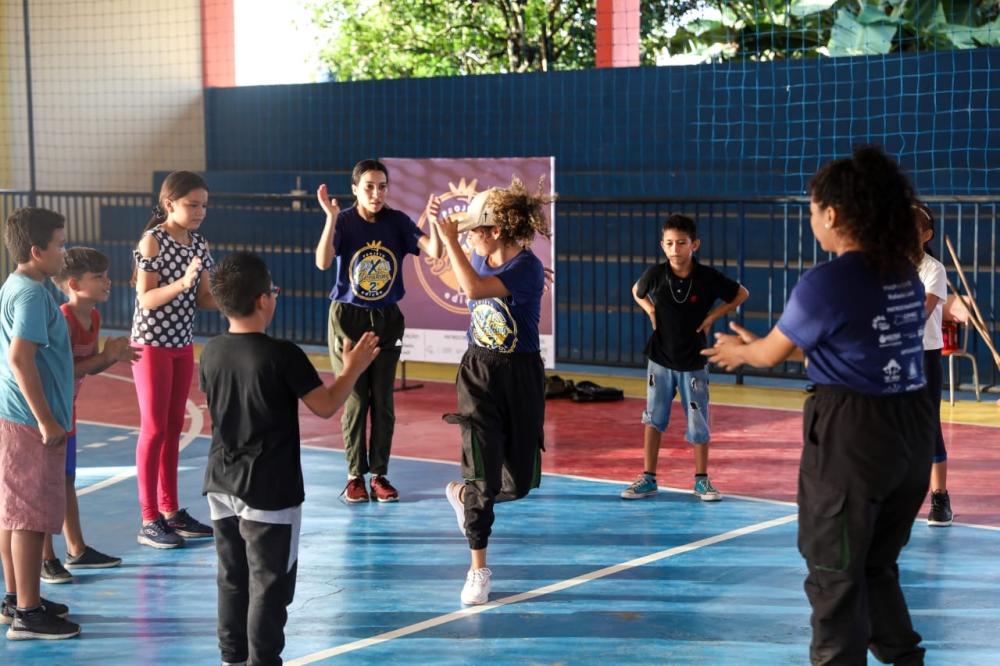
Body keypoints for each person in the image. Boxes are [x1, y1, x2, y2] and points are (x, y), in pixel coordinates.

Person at [703, 145, 933, 665]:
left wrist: (741, 350)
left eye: (811, 209)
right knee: (876, 567)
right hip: (912, 434)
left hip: (854, 437)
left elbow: (768, 355)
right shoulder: (900, 272)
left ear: (831, 214)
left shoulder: (826, 282)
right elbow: (865, 340)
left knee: (835, 574)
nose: (811, 218)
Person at [200, 251, 379, 666]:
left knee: (232, 578)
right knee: (269, 584)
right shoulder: (282, 354)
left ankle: (232, 658)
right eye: (274, 291)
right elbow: (326, 404)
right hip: (269, 488)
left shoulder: (210, 352)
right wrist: (352, 368)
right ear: (263, 299)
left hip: (221, 482)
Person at [437, 179, 551, 606]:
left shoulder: (526, 268)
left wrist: (451, 241)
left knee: (518, 482)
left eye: (473, 231)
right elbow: (449, 264)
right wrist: (440, 237)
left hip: (520, 375)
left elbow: (472, 289)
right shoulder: (477, 256)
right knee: (483, 471)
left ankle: (466, 496)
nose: (467, 238)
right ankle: (477, 568)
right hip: (479, 374)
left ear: (495, 230)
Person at [314, 159, 442, 503]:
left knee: (383, 400)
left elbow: (435, 250)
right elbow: (323, 262)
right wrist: (329, 219)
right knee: (355, 399)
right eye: (368, 186)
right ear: (355, 189)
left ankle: (379, 475)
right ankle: (355, 475)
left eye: (382, 186)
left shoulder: (398, 222)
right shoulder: (343, 221)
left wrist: (437, 224)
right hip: (349, 318)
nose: (376, 192)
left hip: (386, 318)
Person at [620, 214, 748, 502]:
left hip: (694, 360)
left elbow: (740, 293)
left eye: (681, 243)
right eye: (669, 243)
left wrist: (713, 316)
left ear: (695, 244)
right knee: (653, 418)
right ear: (662, 245)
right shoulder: (655, 274)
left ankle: (702, 480)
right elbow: (636, 291)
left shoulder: (707, 277)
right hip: (660, 358)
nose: (674, 249)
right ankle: (648, 477)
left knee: (698, 420)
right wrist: (651, 311)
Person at [0, 207, 79, 639]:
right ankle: (28, 614)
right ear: (36, 250)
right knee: (29, 519)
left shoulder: (27, 284)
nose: (64, 251)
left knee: (15, 515)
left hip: (17, 418)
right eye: (60, 244)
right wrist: (46, 419)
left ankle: (18, 599)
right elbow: (19, 357)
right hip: (30, 422)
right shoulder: (30, 294)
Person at [38, 248, 138, 584]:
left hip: (68, 411)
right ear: (73, 284)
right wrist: (107, 357)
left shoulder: (93, 317)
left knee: (66, 481)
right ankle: (45, 557)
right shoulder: (63, 320)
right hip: (49, 413)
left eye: (107, 276)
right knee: (46, 486)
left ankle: (76, 548)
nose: (108, 283)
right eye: (99, 278)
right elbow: (64, 371)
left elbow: (89, 367)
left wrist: (112, 357)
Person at [131, 170, 217, 548]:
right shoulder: (152, 241)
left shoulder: (199, 244)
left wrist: (245, 297)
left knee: (172, 428)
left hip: (183, 344)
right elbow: (145, 299)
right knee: (153, 429)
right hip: (150, 345)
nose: (199, 211)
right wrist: (182, 282)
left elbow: (204, 299)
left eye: (203, 205)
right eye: (192, 204)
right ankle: (149, 518)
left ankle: (171, 511)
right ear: (170, 204)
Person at [913, 203, 952, 527]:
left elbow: (921, 312)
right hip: (890, 356)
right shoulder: (885, 267)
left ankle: (939, 496)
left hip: (924, 355)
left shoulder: (932, 269)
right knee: (885, 422)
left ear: (926, 235)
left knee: (928, 426)